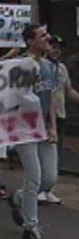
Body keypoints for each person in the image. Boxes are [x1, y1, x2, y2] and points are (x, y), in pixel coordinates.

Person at [8, 25, 58, 239]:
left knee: (49, 178)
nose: (47, 38)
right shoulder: (23, 66)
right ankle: (31, 226)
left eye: (47, 35)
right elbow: (19, 98)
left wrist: (53, 125)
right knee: (34, 177)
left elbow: (51, 98)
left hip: (45, 128)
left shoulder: (50, 66)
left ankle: (18, 198)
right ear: (30, 41)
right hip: (25, 129)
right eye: (42, 35)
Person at [42, 34, 79, 204]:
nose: (56, 51)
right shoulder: (41, 67)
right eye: (53, 47)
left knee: (56, 154)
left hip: (60, 116)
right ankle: (39, 188)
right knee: (43, 153)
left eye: (59, 48)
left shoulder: (62, 68)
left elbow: (68, 90)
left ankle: (48, 188)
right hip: (44, 117)